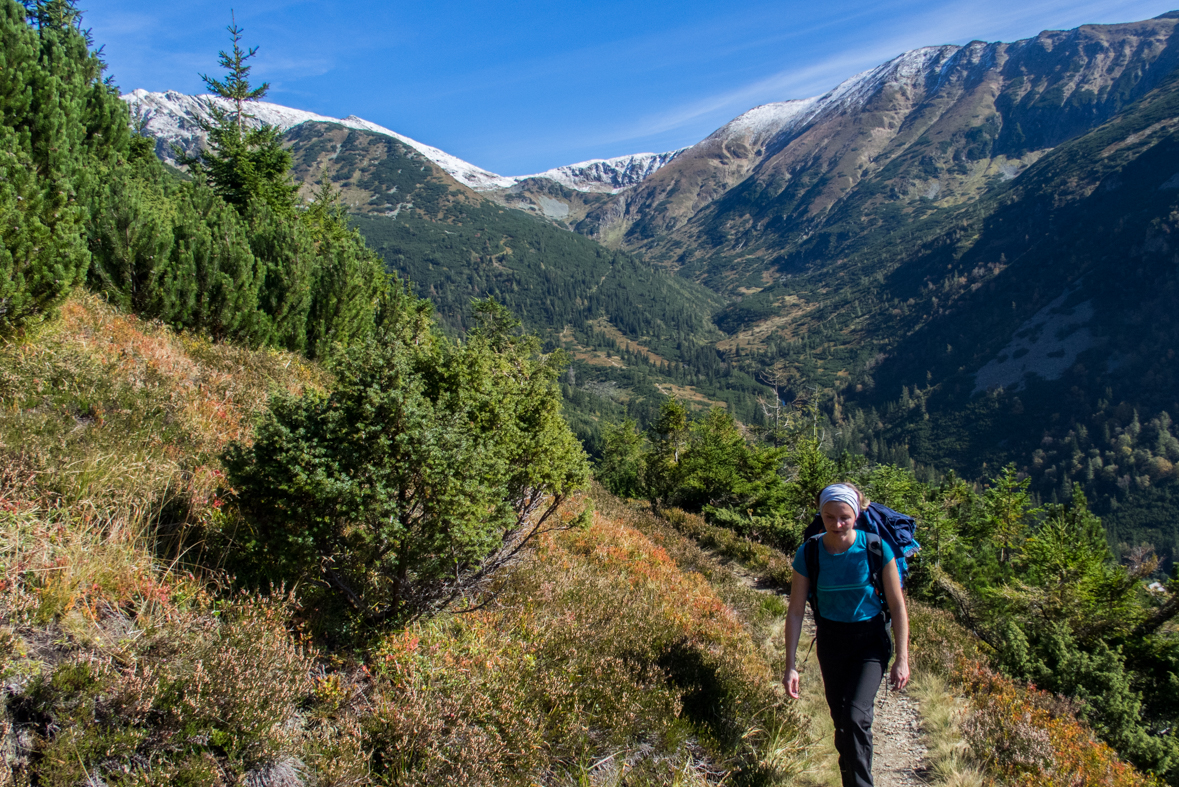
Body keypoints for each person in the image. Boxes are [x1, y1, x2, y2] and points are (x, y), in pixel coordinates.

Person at [783, 482, 909, 787]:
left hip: (870, 642)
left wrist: (902, 658)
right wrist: (790, 665)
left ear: (856, 514)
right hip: (831, 642)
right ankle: (850, 779)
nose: (837, 524)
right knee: (841, 724)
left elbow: (897, 605)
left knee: (855, 718)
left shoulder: (876, 548)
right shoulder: (809, 553)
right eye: (829, 517)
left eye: (844, 517)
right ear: (821, 515)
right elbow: (796, 611)